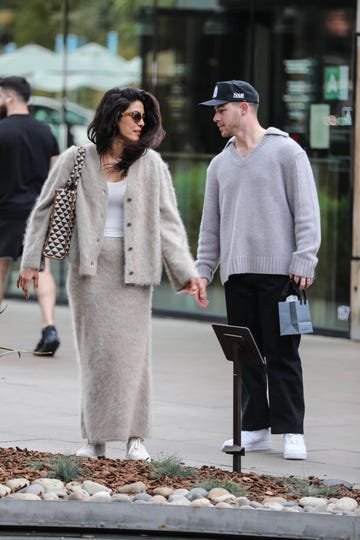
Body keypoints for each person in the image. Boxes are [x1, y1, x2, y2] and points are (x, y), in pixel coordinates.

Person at [17, 86, 207, 461]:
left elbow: (168, 223)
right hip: (89, 273)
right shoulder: (76, 159)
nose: (142, 124)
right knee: (96, 357)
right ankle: (94, 439)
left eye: (145, 118)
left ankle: (136, 437)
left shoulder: (151, 164)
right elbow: (44, 210)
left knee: (134, 357)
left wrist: (186, 271)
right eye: (134, 116)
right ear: (112, 116)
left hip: (134, 273)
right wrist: (31, 261)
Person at [194, 80, 321, 460]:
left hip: (282, 274)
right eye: (215, 111)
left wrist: (304, 259)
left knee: (283, 354)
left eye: (221, 109)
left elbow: (307, 211)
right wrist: (204, 270)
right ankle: (254, 428)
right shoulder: (219, 164)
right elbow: (210, 225)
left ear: (244, 107)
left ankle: (292, 430)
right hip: (238, 275)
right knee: (245, 356)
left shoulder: (287, 152)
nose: (215, 116)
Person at [0, 76, 60, 356]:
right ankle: (49, 327)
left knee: (0, 271)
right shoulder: (45, 132)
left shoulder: (1, 131)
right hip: (37, 214)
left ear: (9, 96)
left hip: (5, 211)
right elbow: (56, 176)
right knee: (42, 270)